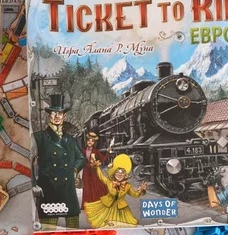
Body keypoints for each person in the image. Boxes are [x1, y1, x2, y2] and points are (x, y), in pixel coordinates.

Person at [31, 94, 85, 228]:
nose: (57, 116)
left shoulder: (70, 139)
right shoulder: (39, 137)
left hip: (68, 191)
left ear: (64, 116)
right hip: (49, 189)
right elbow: (29, 160)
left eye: (60, 113)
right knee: (47, 230)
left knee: (73, 230)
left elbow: (81, 158)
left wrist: (74, 169)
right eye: (54, 113)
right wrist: (33, 183)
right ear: (49, 116)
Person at [83, 154, 148, 228]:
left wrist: (141, 190)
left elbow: (135, 195)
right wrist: (97, 167)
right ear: (114, 174)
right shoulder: (109, 182)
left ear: (125, 175)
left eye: (122, 173)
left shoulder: (127, 186)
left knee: (126, 225)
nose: (120, 175)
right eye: (118, 173)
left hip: (121, 208)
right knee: (106, 224)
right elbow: (101, 176)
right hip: (108, 206)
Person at [79, 132, 108, 210]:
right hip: (86, 171)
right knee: (86, 187)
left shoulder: (96, 151)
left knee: (95, 185)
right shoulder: (83, 151)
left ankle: (96, 203)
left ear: (94, 142)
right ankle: (86, 204)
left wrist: (108, 152)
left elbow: (103, 159)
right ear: (86, 141)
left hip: (93, 171)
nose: (90, 142)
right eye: (89, 140)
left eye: (92, 141)